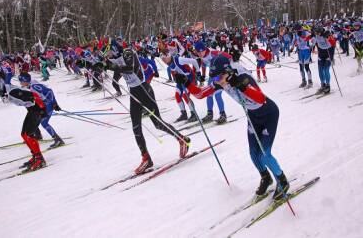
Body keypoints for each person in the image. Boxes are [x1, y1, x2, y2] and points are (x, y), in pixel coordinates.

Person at [174, 54, 289, 200]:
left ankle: (283, 181)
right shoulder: (221, 80)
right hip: (252, 116)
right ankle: (266, 177)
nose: (216, 81)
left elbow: (260, 97)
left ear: (227, 72)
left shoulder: (242, 77)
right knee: (254, 153)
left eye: (217, 77)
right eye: (214, 78)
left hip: (268, 113)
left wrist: (241, 86)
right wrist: (186, 82)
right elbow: (200, 94)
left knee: (265, 154)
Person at [98, 48, 191, 175]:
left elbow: (129, 68)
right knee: (136, 127)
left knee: (158, 124)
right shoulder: (113, 59)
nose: (107, 56)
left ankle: (182, 139)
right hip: (134, 93)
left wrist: (110, 66)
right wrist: (96, 66)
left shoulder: (128, 53)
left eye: (107, 52)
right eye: (105, 54)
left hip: (144, 90)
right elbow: (115, 71)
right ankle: (146, 158)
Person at [0, 75, 48, 171]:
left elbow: (34, 96)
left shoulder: (12, 92)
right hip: (33, 109)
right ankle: (36, 157)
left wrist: (42, 109)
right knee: (24, 134)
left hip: (37, 109)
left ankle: (40, 159)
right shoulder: (7, 91)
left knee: (28, 135)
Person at [18, 73, 65, 151]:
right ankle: (37, 135)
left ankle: (58, 140)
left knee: (44, 123)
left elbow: (49, 91)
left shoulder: (33, 86)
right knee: (36, 119)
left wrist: (54, 103)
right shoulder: (30, 84)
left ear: (25, 80)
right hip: (43, 105)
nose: (20, 83)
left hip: (48, 105)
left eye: (21, 81)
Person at [160, 52, 200, 122]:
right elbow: (175, 73)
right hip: (181, 80)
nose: (163, 61)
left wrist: (198, 71)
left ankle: (194, 114)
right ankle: (183, 114)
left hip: (189, 79)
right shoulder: (169, 64)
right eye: (162, 59)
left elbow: (194, 61)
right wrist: (176, 78)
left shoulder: (179, 59)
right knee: (177, 95)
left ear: (168, 56)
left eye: (164, 59)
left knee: (185, 96)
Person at [311, 27, 336, 94]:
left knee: (326, 69)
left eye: (318, 32)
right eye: (316, 32)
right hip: (321, 54)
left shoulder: (327, 35)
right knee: (320, 70)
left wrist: (329, 37)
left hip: (328, 53)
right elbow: (313, 42)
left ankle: (328, 85)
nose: (317, 34)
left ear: (321, 32)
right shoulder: (316, 36)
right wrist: (312, 48)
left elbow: (333, 44)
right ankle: (323, 84)